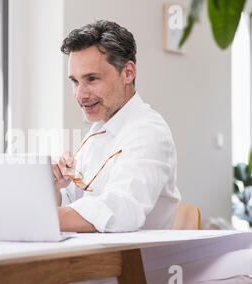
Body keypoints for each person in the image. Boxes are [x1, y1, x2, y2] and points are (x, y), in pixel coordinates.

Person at [53, 20, 181, 233]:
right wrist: (56, 186)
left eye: (92, 79)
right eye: (75, 81)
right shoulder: (99, 130)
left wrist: (34, 217)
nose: (80, 94)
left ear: (128, 73)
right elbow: (74, 203)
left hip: (133, 264)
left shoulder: (149, 132)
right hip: (92, 257)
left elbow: (120, 213)